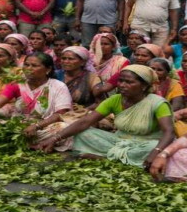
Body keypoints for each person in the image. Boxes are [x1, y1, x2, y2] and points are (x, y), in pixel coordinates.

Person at [41, 65, 175, 168]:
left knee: (150, 148)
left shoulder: (157, 103)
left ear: (144, 86)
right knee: (84, 133)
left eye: (129, 82)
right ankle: (118, 158)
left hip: (146, 143)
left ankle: (106, 157)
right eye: (120, 81)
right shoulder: (115, 99)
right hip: (119, 140)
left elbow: (169, 132)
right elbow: (86, 121)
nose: (122, 85)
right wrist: (55, 138)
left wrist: (156, 151)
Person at [0, 52, 72, 149]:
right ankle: (27, 144)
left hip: (43, 126)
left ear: (48, 69)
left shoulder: (58, 86)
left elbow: (60, 114)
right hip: (18, 126)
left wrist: (36, 126)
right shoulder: (17, 84)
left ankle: (22, 144)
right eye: (26, 65)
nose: (28, 68)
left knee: (62, 128)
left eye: (34, 66)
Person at [60, 46, 103, 111]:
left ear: (82, 62)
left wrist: (83, 110)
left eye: (71, 59)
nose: (66, 61)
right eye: (63, 58)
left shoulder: (92, 78)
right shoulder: (56, 75)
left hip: (83, 114)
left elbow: (100, 102)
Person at [89, 32, 130, 97]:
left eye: (106, 44)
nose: (102, 46)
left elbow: (123, 78)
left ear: (113, 47)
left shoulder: (121, 61)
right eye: (99, 44)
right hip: (90, 94)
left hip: (115, 94)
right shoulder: (89, 61)